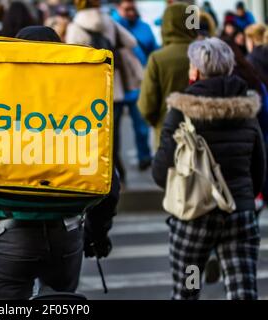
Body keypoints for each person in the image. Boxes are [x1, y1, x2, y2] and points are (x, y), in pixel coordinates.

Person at [0, 26, 118, 300]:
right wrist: (98, 234)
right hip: (66, 235)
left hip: (7, 234)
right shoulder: (79, 108)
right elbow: (108, 180)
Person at [152, 38, 265, 300]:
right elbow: (260, 167)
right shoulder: (247, 109)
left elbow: (161, 172)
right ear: (229, 69)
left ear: (196, 71)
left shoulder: (182, 111)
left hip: (195, 217)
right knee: (242, 292)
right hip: (240, 214)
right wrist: (245, 196)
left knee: (188, 291)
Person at [66, 0, 139, 182]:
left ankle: (98, 174)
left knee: (93, 135)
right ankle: (117, 171)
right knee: (114, 134)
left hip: (89, 91)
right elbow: (131, 41)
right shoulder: (108, 21)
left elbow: (71, 60)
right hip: (115, 88)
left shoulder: (75, 26)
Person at [138, 2, 197, 145]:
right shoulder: (202, 53)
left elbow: (146, 106)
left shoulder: (158, 59)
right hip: (200, 135)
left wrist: (158, 123)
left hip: (167, 135)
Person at [111, 0, 155, 171]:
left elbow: (153, 51)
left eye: (132, 8)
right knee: (114, 131)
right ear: (118, 8)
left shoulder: (144, 27)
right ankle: (115, 165)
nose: (130, 12)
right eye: (126, 9)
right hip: (117, 87)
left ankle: (144, 158)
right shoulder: (111, 26)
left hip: (137, 85)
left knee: (141, 127)